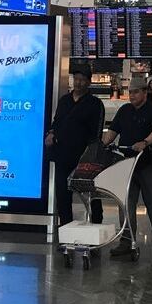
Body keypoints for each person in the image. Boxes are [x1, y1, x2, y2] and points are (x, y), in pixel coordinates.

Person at [100, 77, 152, 253]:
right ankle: (126, 240)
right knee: (125, 204)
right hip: (127, 165)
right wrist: (103, 144)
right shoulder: (124, 111)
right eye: (130, 92)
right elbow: (113, 131)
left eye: (136, 92)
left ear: (145, 93)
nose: (132, 95)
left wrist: (145, 142)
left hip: (149, 164)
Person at [46, 67, 105, 227]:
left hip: (84, 157)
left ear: (89, 82)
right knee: (62, 194)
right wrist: (51, 133)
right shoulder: (65, 100)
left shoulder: (95, 104)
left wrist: (91, 153)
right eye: (76, 79)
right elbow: (57, 122)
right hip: (63, 155)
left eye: (82, 80)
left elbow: (97, 132)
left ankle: (96, 224)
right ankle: (65, 227)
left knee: (91, 193)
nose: (78, 83)